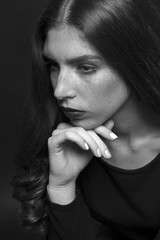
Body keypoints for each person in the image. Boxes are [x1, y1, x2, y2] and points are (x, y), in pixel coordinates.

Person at [12, 0, 160, 239]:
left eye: (86, 67)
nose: (60, 90)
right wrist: (61, 185)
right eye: (53, 66)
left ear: (135, 62)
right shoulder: (61, 140)